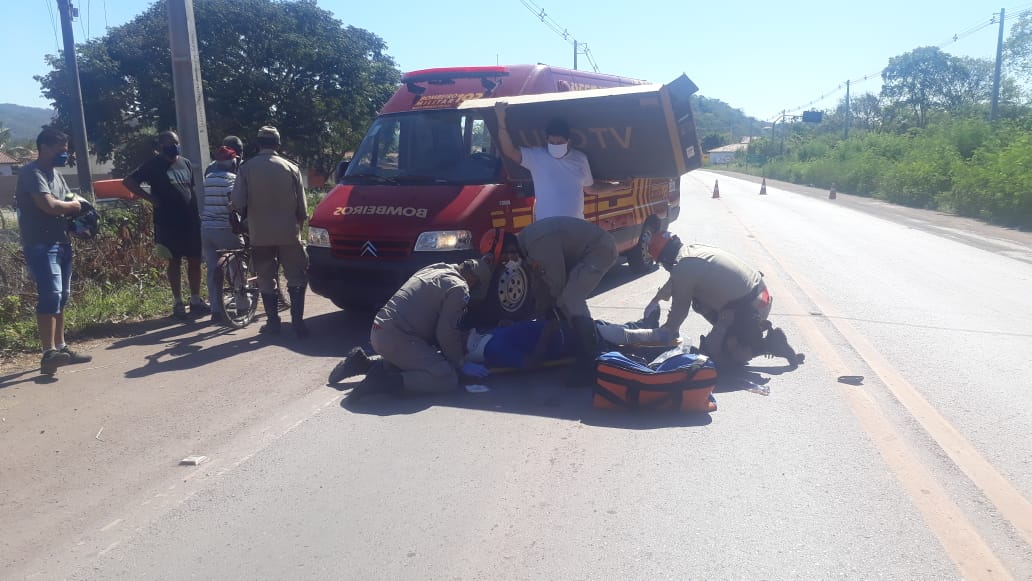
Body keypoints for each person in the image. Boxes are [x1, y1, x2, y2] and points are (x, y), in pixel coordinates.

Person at [480, 217, 618, 385]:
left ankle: (592, 358)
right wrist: (531, 321)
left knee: (570, 298)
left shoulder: (538, 246)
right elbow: (542, 290)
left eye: (504, 258)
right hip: (586, 253)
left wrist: (553, 325)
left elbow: (557, 285)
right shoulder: (527, 248)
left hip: (599, 250)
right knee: (564, 299)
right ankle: (584, 346)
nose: (506, 263)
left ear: (508, 248)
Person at [340, 258, 493, 401]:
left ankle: (363, 363)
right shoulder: (459, 288)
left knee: (417, 360)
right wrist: (460, 364)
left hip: (381, 330)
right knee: (447, 377)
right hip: (398, 337)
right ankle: (383, 383)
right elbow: (446, 333)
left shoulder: (437, 268)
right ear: (473, 280)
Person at [644, 233, 804, 369]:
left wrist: (665, 333)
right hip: (757, 295)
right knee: (699, 302)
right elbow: (676, 282)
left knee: (714, 362)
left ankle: (768, 344)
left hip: (748, 307)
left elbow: (680, 309)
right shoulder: (691, 253)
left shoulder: (683, 269)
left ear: (665, 259)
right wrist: (655, 300)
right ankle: (734, 334)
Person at [15, 128, 93, 375]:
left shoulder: (56, 175)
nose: (65, 153)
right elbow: (48, 206)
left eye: (66, 149)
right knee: (50, 294)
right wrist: (75, 206)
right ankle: (48, 353)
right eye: (61, 149)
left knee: (62, 296)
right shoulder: (32, 172)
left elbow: (68, 199)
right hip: (41, 244)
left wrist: (81, 214)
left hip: (61, 242)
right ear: (44, 147)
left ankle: (61, 347)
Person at [230, 126, 309, 337]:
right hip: (288, 233)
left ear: (257, 144)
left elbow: (237, 202)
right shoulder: (291, 168)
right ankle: (298, 323)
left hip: (260, 234)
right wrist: (297, 229)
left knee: (266, 277)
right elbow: (302, 208)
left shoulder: (247, 168)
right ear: (278, 144)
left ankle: (273, 322)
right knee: (296, 277)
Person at [123, 130, 208, 320]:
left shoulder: (185, 162)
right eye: (170, 143)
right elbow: (128, 181)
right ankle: (178, 302)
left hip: (191, 220)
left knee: (195, 260)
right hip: (168, 222)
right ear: (161, 147)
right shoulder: (152, 165)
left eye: (176, 142)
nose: (174, 146)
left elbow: (190, 188)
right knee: (174, 261)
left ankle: (195, 299)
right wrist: (149, 198)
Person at [493, 101, 622, 221]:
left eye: (559, 142)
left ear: (568, 142)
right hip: (546, 228)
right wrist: (500, 120)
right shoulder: (536, 157)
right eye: (552, 142)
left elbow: (591, 189)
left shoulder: (580, 159)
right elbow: (509, 151)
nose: (555, 145)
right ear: (546, 140)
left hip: (574, 228)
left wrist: (620, 185)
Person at [200, 145, 244, 324]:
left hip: (206, 230)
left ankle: (216, 310)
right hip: (226, 229)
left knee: (212, 269)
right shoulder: (233, 180)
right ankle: (243, 303)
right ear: (232, 161)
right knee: (238, 262)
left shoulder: (208, 179)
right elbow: (237, 204)